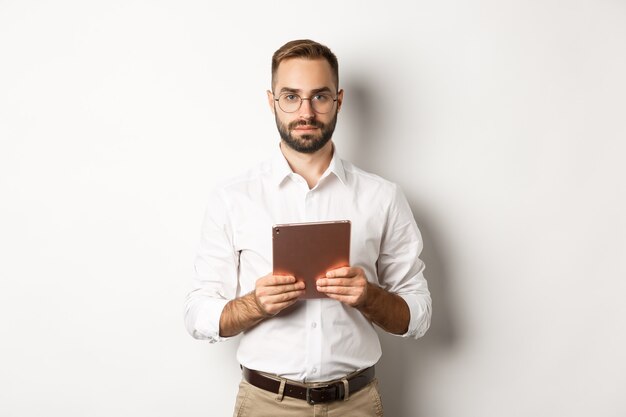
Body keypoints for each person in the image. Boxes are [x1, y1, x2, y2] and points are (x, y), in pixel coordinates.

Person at [184, 39, 432, 417]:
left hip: (357, 405)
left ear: (339, 100)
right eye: (291, 97)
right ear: (271, 102)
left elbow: (418, 314)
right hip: (266, 404)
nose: (306, 111)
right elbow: (197, 314)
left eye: (320, 96)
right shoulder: (233, 199)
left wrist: (369, 296)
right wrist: (254, 305)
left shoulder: (383, 197)